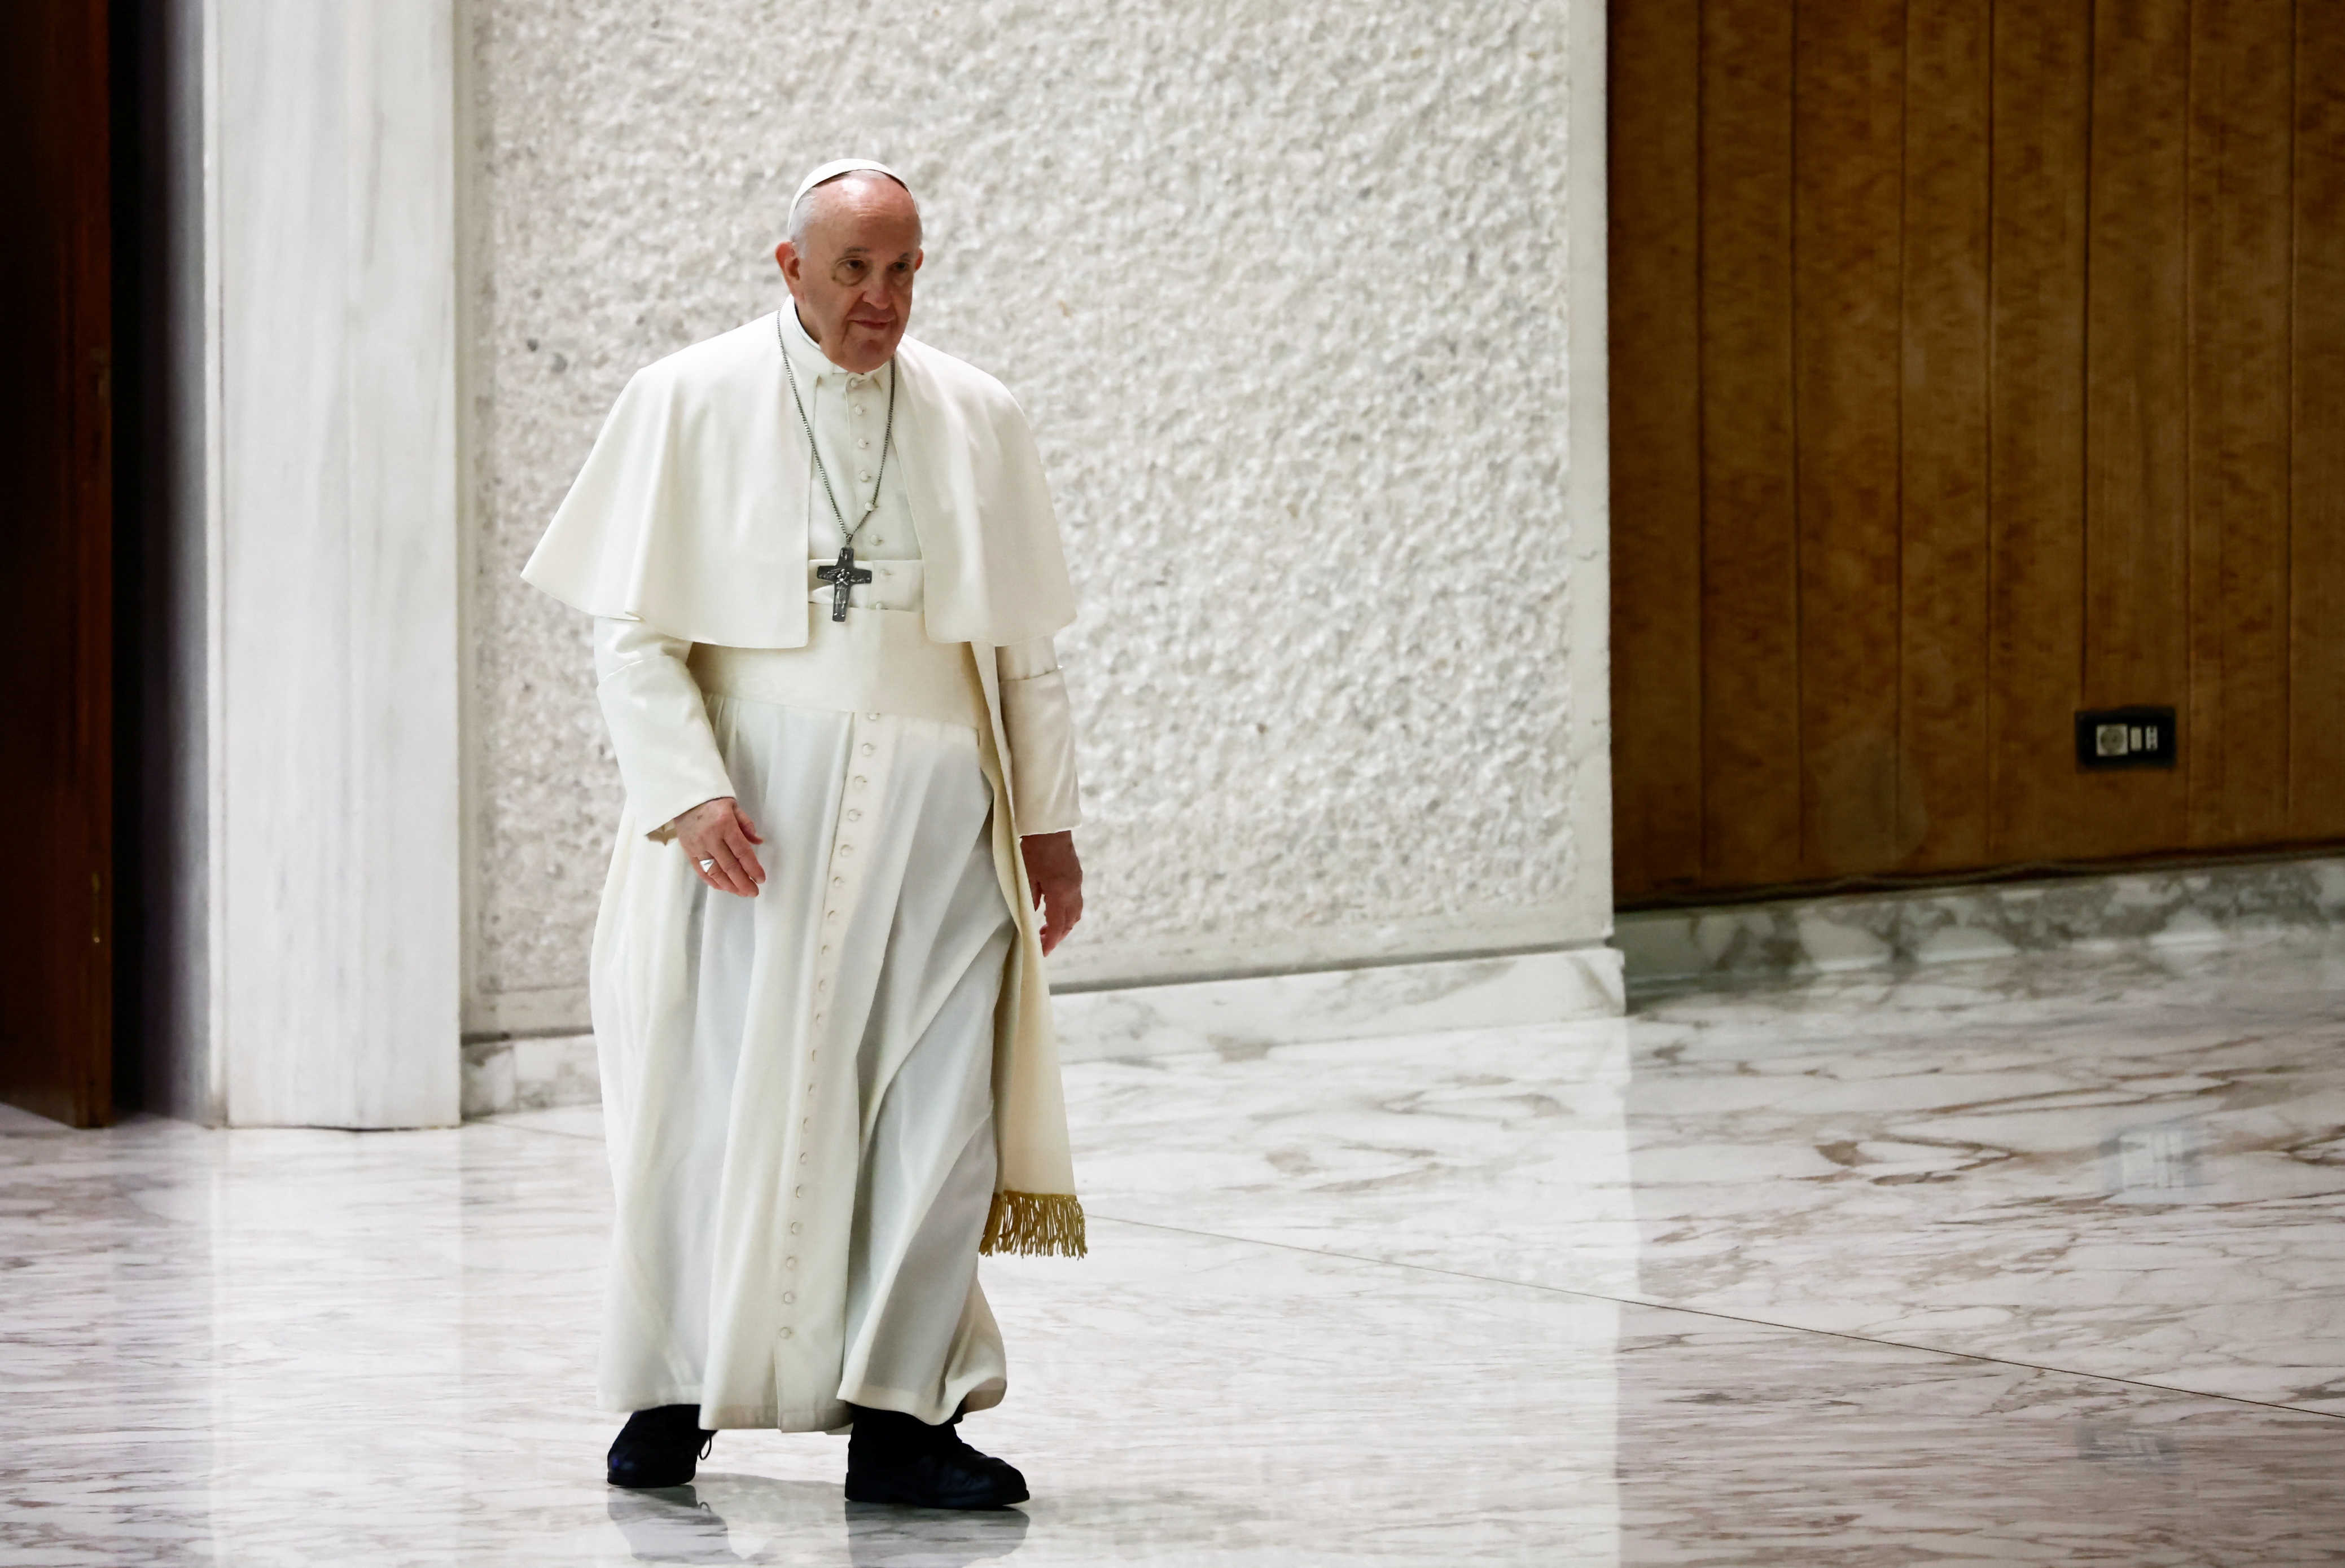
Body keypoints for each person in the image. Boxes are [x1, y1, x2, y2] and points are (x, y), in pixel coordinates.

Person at [521, 158, 1088, 1510]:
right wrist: (689, 787)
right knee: (707, 1101)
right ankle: (668, 1392)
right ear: (788, 267)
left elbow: (1021, 653)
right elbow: (635, 633)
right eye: (852, 268)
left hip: (944, 820)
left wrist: (1051, 830)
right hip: (752, 823)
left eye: (903, 269)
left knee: (936, 1121)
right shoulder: (687, 397)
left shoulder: (975, 414)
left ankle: (906, 1420)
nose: (880, 297)